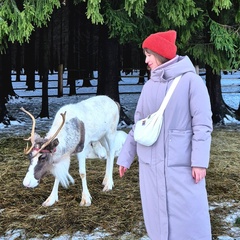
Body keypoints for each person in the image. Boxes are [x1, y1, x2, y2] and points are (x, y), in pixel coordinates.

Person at [116, 30, 213, 240]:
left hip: (181, 168)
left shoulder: (191, 82)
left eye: (149, 54)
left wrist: (199, 161)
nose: (146, 60)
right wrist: (125, 157)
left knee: (189, 220)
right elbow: (138, 125)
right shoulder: (149, 86)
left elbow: (203, 125)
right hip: (151, 169)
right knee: (156, 222)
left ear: (160, 54)